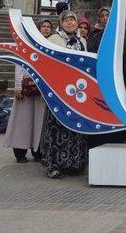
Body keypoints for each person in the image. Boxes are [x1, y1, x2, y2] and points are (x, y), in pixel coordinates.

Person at [41, 10, 88, 179]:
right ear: (61, 23)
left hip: (77, 92)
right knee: (57, 126)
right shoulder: (54, 40)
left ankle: (73, 163)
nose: (70, 23)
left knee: (75, 126)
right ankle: (53, 165)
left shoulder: (82, 40)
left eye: (72, 20)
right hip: (58, 90)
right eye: (66, 20)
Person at [4, 18, 52, 162]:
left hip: (41, 89)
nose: (46, 29)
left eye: (49, 27)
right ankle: (20, 152)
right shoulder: (27, 43)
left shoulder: (50, 45)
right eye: (43, 26)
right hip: (25, 88)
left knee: (38, 121)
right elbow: (19, 64)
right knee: (22, 121)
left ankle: (37, 151)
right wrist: (18, 86)